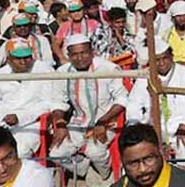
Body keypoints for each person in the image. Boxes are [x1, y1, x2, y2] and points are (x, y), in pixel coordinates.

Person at [50, 34, 129, 179]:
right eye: (75, 54)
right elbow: (58, 102)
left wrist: (103, 121)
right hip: (78, 122)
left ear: (92, 52)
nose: (80, 58)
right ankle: (83, 169)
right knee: (56, 153)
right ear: (68, 55)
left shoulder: (108, 68)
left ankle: (106, 173)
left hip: (107, 120)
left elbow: (122, 99)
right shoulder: (63, 72)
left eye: (84, 53)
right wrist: (60, 124)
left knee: (94, 152)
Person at [0, 41, 61, 159]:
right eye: (18, 58)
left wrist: (20, 117)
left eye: (27, 57)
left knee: (18, 153)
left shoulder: (44, 70)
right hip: (3, 122)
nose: (23, 62)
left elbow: (49, 102)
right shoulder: (1, 74)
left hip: (33, 123)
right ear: (8, 58)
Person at [125, 38, 185, 147]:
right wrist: (136, 126)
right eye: (157, 60)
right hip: (151, 133)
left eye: (164, 58)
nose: (161, 63)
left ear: (172, 56)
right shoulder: (145, 77)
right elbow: (134, 104)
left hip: (180, 130)